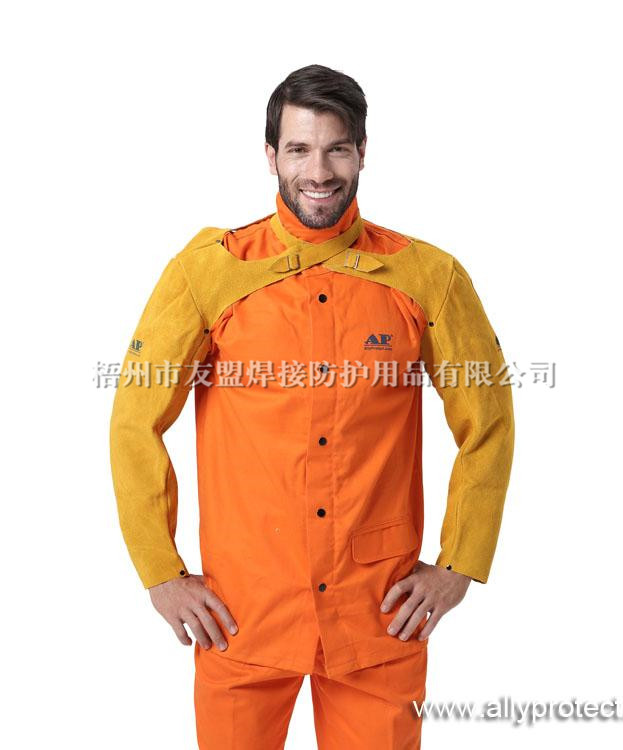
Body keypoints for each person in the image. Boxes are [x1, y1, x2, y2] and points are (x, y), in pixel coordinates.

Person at [109, 63, 515, 749]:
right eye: (299, 149)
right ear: (271, 155)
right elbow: (134, 421)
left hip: (379, 618)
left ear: (363, 152)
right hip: (240, 618)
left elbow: (490, 421)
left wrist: (460, 564)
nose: (319, 172)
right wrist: (161, 573)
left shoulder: (428, 277)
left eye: (336, 149)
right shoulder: (207, 273)